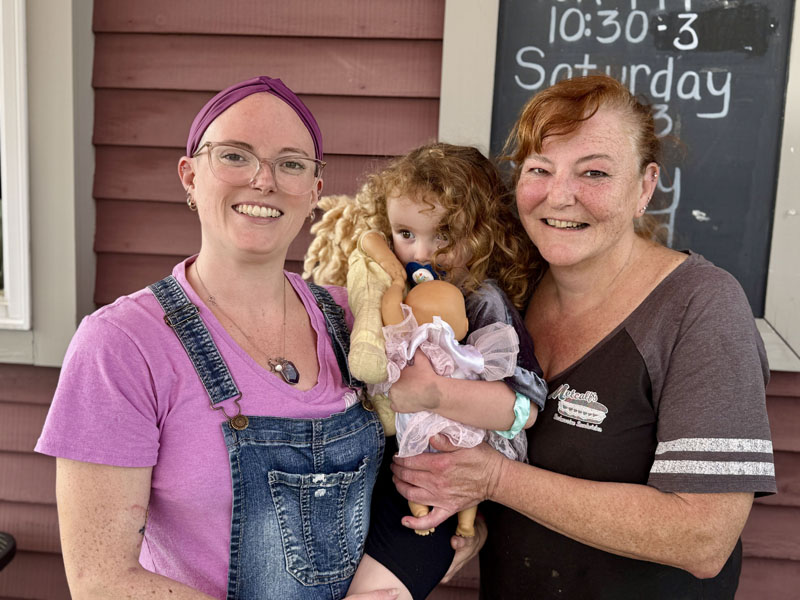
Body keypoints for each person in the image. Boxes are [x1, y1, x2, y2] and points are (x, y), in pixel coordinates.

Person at [389, 74, 777, 599]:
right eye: (540, 169)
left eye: (593, 172)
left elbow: (703, 537)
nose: (559, 195)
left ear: (645, 186)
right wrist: (472, 521)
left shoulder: (700, 307)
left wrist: (497, 482)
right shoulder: (507, 297)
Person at [35, 76, 397, 600]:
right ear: (189, 175)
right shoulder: (122, 344)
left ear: (315, 191)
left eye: (292, 164)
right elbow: (102, 581)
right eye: (235, 156)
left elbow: (416, 489)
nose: (263, 181)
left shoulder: (353, 321)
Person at [304, 143, 548, 600]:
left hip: (440, 482)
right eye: (405, 233)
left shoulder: (482, 302)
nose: (423, 251)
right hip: (375, 469)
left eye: (445, 235)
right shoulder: (386, 291)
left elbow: (523, 409)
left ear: (485, 234)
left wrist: (433, 393)